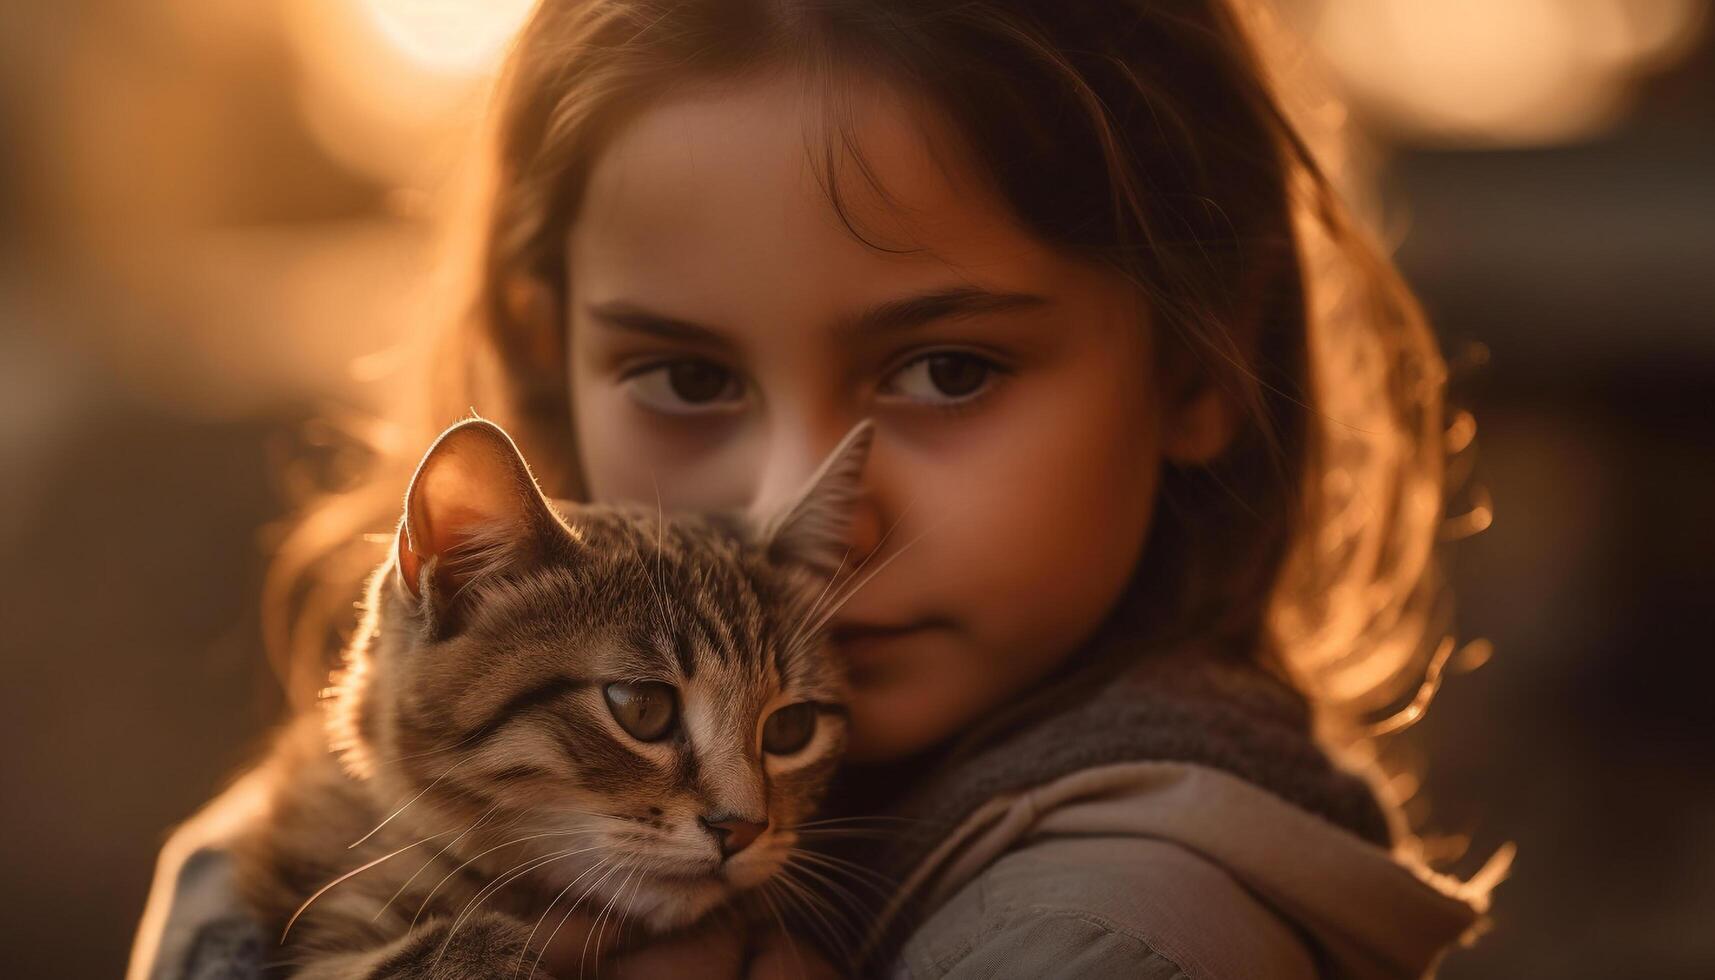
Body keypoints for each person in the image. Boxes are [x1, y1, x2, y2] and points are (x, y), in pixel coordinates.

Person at [130, 1, 1509, 977]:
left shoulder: (1103, 939)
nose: (809, 504)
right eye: (683, 375)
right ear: (552, 358)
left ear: (1202, 362)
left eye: (951, 370)